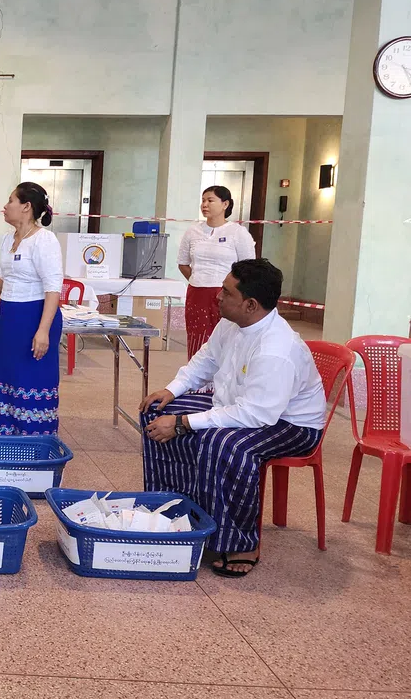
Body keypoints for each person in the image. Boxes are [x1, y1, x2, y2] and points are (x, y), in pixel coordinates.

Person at [138, 258, 325, 578]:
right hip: (237, 404)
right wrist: (172, 390)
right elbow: (205, 361)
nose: (218, 296)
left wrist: (184, 423)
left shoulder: (276, 348)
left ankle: (240, 543)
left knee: (223, 443)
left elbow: (256, 414)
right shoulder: (232, 322)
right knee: (157, 412)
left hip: (290, 424)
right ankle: (176, 513)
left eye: (226, 292)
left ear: (251, 305)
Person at [0, 182, 63, 435]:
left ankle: (36, 439)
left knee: (33, 380)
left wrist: (43, 331)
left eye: (10, 200)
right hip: (10, 318)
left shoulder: (44, 240)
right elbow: (6, 277)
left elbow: (53, 289)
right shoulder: (7, 240)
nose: (5, 206)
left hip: (35, 318)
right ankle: (10, 435)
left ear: (26, 206)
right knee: (9, 378)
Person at [178, 185, 256, 359]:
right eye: (203, 200)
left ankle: (225, 375)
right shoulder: (192, 231)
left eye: (210, 200)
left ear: (225, 204)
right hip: (197, 293)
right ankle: (197, 376)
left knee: (226, 336)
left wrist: (231, 289)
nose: (204, 204)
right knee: (198, 337)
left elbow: (249, 267)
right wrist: (199, 279)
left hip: (228, 294)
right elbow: (183, 263)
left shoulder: (238, 232)